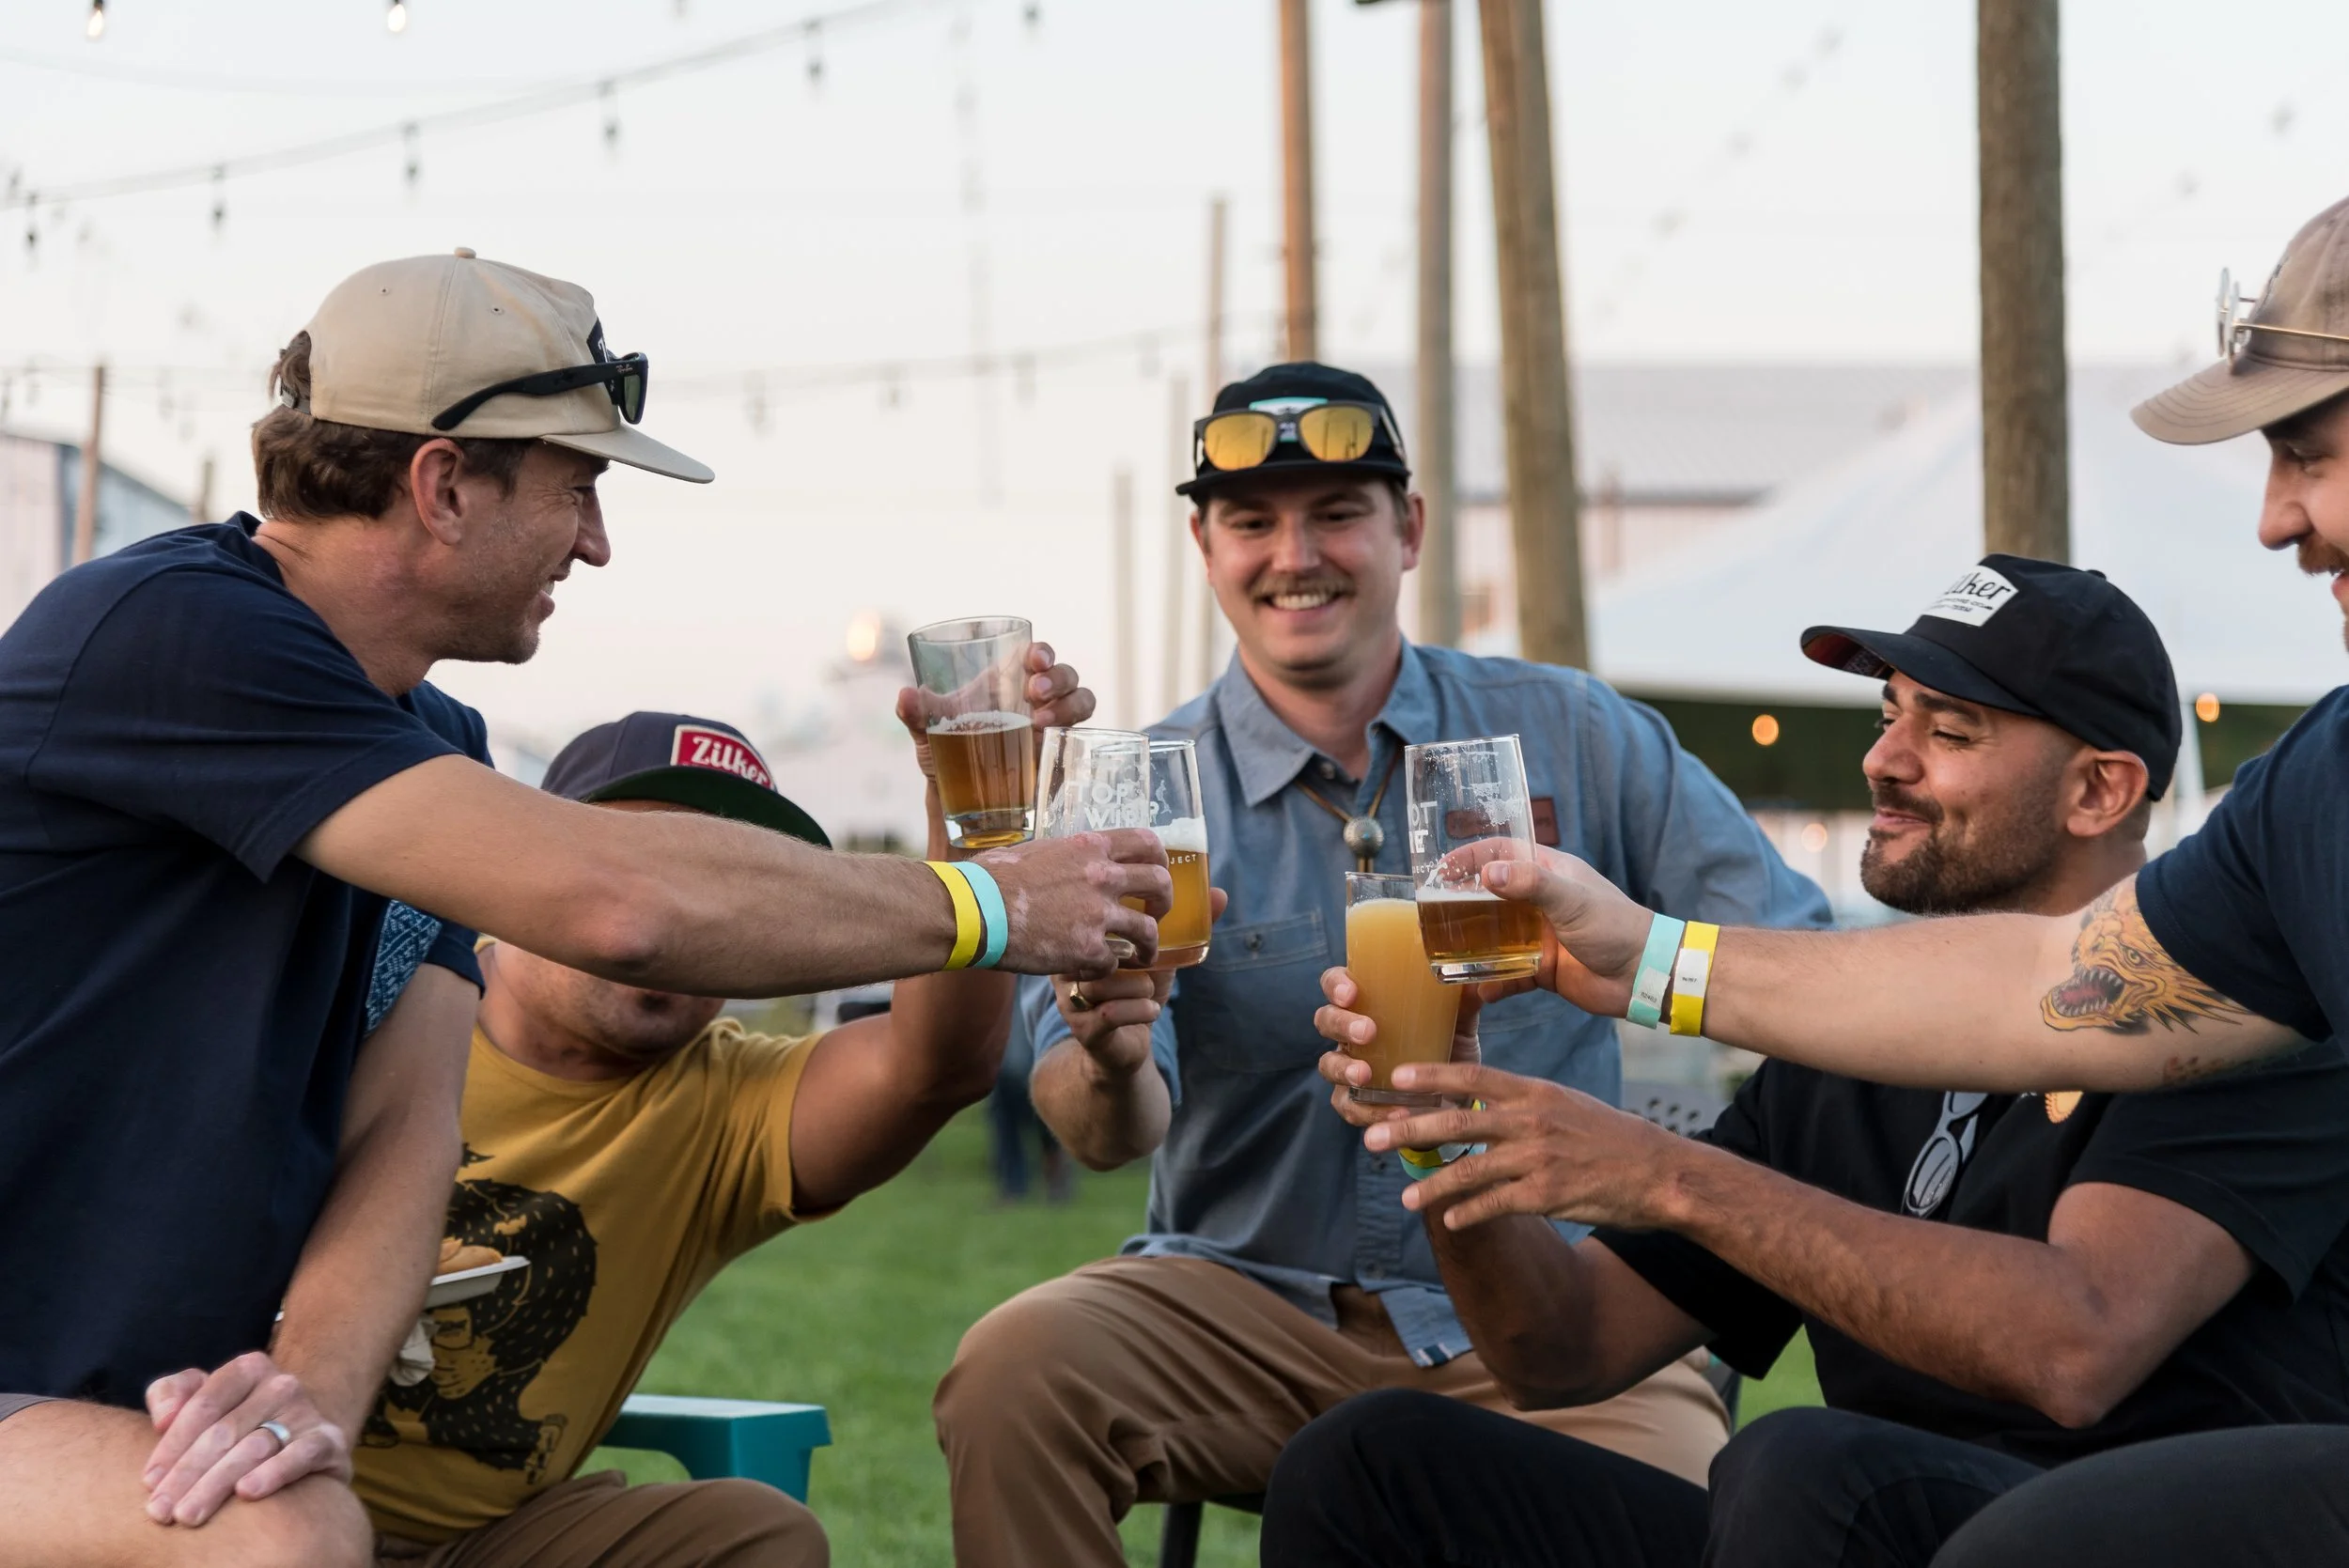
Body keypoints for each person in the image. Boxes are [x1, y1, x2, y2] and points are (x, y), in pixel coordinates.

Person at [0, 250, 1165, 1568]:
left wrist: (309, 1403)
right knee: (283, 1538)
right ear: (443, 485)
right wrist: (996, 902)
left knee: (692, 1535)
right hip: (33, 1395)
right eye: (579, 487)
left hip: (159, 1420)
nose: (598, 542)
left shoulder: (430, 738)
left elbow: (403, 1127)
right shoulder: (169, 630)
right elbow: (619, 904)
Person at [1312, 196, 2349, 1568]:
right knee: (1371, 1467)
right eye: (1889, 714)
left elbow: (2076, 1344)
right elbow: (1562, 1348)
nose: (1887, 762)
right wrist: (1449, 1133)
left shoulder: (2250, 977)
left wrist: (1672, 1174)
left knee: (1806, 1465)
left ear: (2103, 788)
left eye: (1952, 730)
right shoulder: (1850, 1023)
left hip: (2129, 1523)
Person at [931, 362, 1831, 1566]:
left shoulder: (1573, 731)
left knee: (1673, 1509)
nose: (1293, 553)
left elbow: (1798, 956)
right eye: (1251, 521)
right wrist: (1106, 1050)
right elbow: (1102, 1133)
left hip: (1544, 1318)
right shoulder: (1138, 783)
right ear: (1206, 548)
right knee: (1011, 1373)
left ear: (1407, 529)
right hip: (1241, 1305)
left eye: (1337, 512)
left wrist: (1698, 1195)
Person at [354, 693, 1075, 1567]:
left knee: (756, 1538)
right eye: (657, 869)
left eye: (730, 896)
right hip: (245, 1496)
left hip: (486, 1542)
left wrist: (968, 814)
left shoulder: (720, 1099)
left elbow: (934, 1067)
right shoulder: (391, 998)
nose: (689, 919)